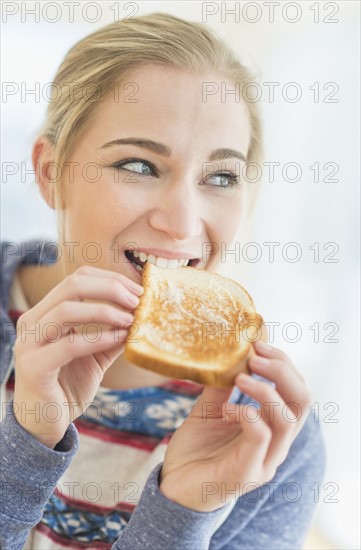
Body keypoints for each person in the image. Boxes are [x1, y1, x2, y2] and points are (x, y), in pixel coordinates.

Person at [0, 12, 326, 550]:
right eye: (139, 165)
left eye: (220, 177)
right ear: (51, 173)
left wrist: (184, 511)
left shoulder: (268, 438)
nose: (181, 223)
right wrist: (27, 443)